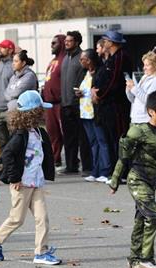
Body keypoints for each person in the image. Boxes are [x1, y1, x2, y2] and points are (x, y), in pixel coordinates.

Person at [0, 90, 61, 265]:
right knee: (17, 218)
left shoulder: (39, 132)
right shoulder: (20, 135)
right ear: (33, 112)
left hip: (36, 182)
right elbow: (8, 155)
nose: (44, 113)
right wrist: (14, 178)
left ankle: (41, 252)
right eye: (41, 109)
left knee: (42, 218)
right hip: (21, 183)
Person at [109, 91, 156, 268]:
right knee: (154, 216)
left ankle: (134, 259)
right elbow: (123, 156)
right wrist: (114, 180)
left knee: (141, 219)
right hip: (136, 179)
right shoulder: (137, 131)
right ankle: (147, 259)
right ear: (151, 111)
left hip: (150, 182)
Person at [92, 30, 132, 172]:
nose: (104, 42)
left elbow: (114, 81)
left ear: (111, 42)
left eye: (106, 40)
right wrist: (94, 90)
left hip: (117, 105)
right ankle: (116, 169)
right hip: (108, 105)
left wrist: (100, 95)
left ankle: (123, 170)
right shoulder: (112, 58)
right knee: (111, 139)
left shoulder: (120, 57)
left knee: (119, 138)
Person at [77, 49, 111, 182]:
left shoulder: (100, 72)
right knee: (93, 142)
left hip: (96, 112)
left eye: (82, 59)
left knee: (102, 141)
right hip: (85, 112)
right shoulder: (85, 73)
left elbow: (99, 91)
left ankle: (105, 170)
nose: (81, 62)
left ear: (89, 60)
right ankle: (95, 170)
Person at [60, 30, 91, 174]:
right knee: (68, 138)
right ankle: (71, 166)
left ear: (77, 42)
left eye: (69, 41)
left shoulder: (82, 57)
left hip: (79, 103)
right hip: (65, 103)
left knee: (82, 138)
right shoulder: (65, 58)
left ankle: (87, 167)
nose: (66, 43)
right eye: (66, 40)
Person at [41, 35, 66, 167]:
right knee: (52, 133)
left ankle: (73, 161)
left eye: (54, 43)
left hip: (60, 103)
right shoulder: (52, 62)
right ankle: (55, 158)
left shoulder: (64, 61)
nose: (52, 45)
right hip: (49, 103)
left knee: (64, 133)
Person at [126, 51, 156, 124]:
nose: (144, 68)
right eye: (144, 65)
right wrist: (129, 89)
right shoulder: (144, 77)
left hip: (146, 121)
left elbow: (150, 101)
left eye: (147, 65)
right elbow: (134, 100)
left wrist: (134, 88)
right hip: (135, 119)